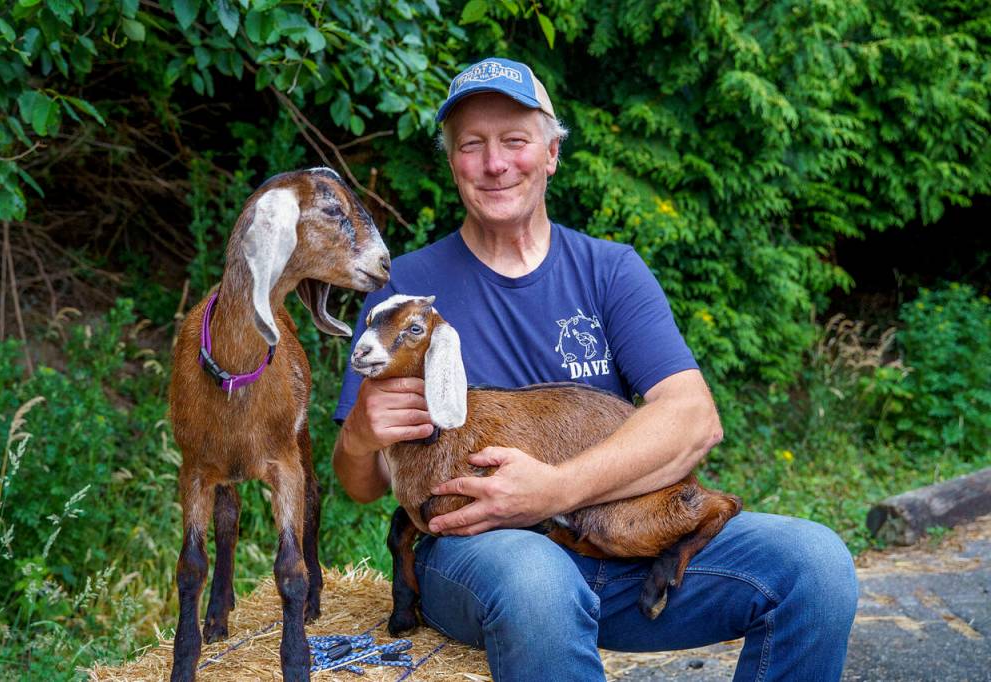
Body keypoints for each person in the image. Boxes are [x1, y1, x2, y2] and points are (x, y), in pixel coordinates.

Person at [331, 57, 858, 681]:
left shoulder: (610, 270)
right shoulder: (410, 292)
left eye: (515, 141)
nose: (495, 163)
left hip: (617, 536)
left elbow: (694, 421)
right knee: (539, 582)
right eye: (472, 145)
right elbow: (359, 486)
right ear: (453, 163)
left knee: (816, 563)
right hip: (482, 557)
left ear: (551, 154)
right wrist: (361, 434)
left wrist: (556, 492)